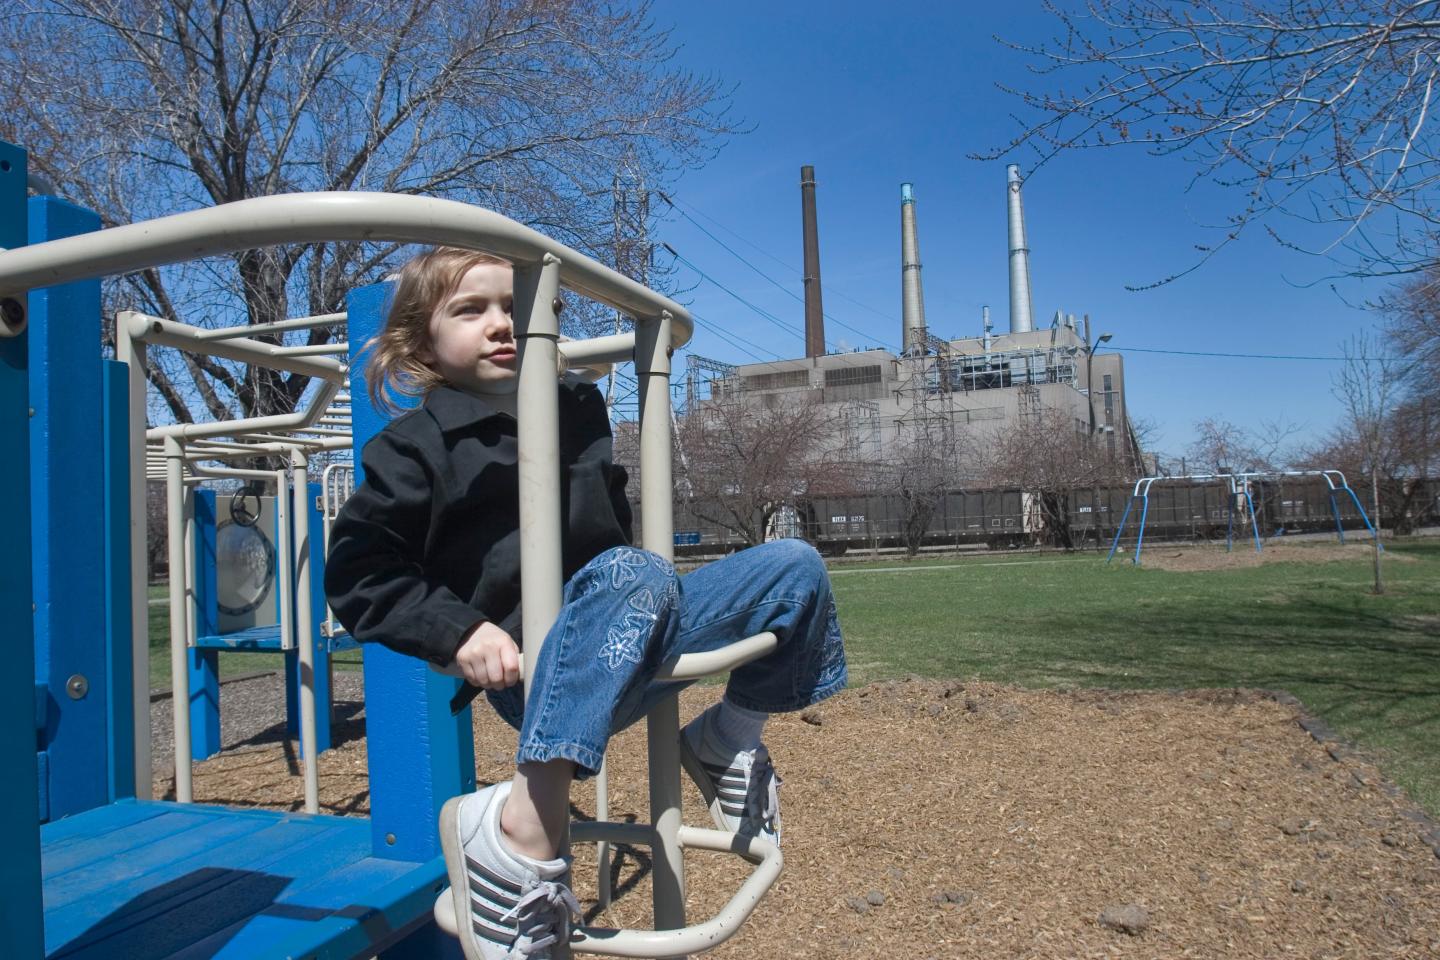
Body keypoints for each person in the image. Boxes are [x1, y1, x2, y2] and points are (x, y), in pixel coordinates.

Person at [325, 246, 847, 960]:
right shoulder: (415, 448)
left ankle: (727, 736)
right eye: (472, 309)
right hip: (537, 667)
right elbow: (360, 571)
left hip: (633, 616)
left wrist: (633, 587)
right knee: (635, 572)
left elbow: (611, 533)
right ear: (420, 343)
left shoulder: (576, 408)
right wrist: (459, 631)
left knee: (796, 567)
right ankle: (521, 830)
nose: (502, 325)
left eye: (518, 307)